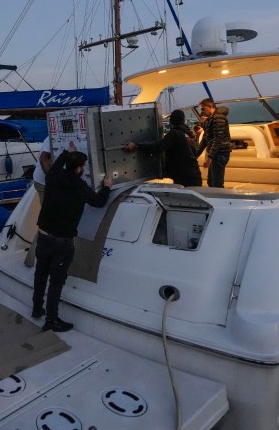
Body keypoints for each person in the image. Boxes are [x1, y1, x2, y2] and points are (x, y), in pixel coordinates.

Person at [33, 141, 112, 332]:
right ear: (78, 169)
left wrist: (67, 153)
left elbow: (56, 167)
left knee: (41, 274)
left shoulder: (53, 177)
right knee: (56, 282)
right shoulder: (80, 187)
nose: (84, 170)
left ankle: (37, 308)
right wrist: (107, 186)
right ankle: (51, 320)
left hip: (43, 235)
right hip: (62, 242)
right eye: (83, 167)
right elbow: (99, 202)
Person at [124, 109, 201, 187]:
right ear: (183, 120)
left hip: (184, 177)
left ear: (171, 121)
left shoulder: (174, 134)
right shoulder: (187, 134)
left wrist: (137, 146)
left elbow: (158, 147)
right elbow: (195, 152)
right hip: (194, 174)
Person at [23, 135, 53, 267]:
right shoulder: (51, 138)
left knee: (48, 218)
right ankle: (41, 255)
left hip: (44, 181)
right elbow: (43, 158)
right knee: (48, 219)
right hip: (44, 182)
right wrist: (54, 178)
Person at [196, 98, 232, 188]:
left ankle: (221, 201)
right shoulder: (211, 119)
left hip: (220, 153)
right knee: (211, 182)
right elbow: (205, 140)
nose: (202, 112)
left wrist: (209, 158)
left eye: (203, 109)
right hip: (217, 153)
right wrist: (194, 155)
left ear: (209, 107)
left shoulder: (218, 117)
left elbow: (218, 139)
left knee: (216, 184)